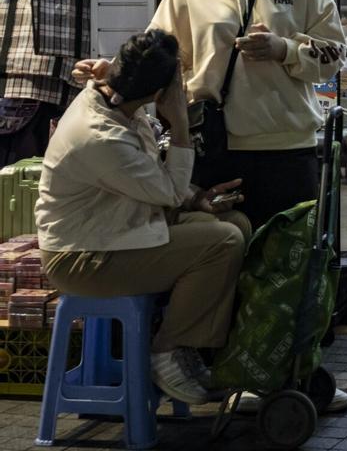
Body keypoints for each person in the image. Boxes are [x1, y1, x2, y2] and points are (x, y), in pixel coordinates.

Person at [74, 0, 347, 232]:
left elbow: (335, 52)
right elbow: (159, 51)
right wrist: (113, 70)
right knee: (227, 252)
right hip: (215, 145)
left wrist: (284, 49)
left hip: (288, 147)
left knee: (286, 258)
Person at [39, 31, 248, 406]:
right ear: (158, 94)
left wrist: (198, 199)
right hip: (82, 257)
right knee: (223, 242)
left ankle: (191, 347)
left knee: (235, 224)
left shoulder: (115, 103)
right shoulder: (100, 136)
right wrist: (180, 123)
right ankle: (167, 351)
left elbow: (152, 181)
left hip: (116, 229)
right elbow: (165, 190)